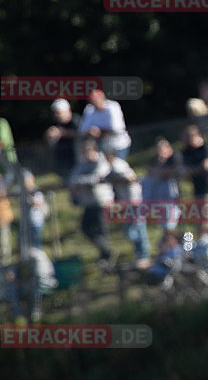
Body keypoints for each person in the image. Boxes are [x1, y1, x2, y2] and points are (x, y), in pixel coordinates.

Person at [69, 139, 115, 270]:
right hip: (89, 203)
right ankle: (105, 252)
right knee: (85, 228)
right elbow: (72, 178)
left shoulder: (102, 162)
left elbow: (95, 178)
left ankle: (106, 259)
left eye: (87, 151)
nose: (85, 154)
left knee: (102, 230)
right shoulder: (83, 163)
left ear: (94, 150)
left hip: (102, 202)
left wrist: (80, 182)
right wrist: (81, 182)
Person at [103, 146, 150, 263]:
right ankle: (140, 254)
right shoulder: (113, 165)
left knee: (137, 229)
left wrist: (112, 180)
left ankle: (144, 254)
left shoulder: (118, 165)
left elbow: (130, 178)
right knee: (131, 230)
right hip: (128, 201)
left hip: (135, 200)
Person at [181, 125, 208, 228]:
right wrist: (198, 169)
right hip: (198, 191)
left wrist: (192, 170)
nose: (186, 141)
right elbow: (183, 171)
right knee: (199, 225)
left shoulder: (207, 147)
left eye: (188, 137)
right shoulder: (187, 151)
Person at [142, 137, 183, 232]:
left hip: (173, 197)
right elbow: (150, 171)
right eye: (157, 149)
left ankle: (173, 237)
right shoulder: (155, 160)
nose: (159, 151)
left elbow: (172, 171)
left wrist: (160, 172)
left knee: (171, 223)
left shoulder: (174, 157)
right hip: (159, 197)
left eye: (161, 148)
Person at [78, 89, 132, 159]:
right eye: (92, 100)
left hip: (118, 144)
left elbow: (116, 128)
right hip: (102, 146)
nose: (94, 102)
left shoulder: (112, 107)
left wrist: (98, 131)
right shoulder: (89, 110)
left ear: (102, 98)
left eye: (95, 100)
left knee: (117, 167)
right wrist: (90, 131)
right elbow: (82, 130)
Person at [45, 99, 80, 182]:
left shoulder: (76, 120)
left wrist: (62, 133)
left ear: (68, 111)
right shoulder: (54, 123)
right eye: (55, 113)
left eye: (59, 112)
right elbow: (48, 140)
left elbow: (81, 134)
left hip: (77, 158)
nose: (57, 115)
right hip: (63, 161)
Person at [22, 170, 48, 249]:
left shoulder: (36, 191)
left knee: (36, 243)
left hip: (36, 221)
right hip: (27, 222)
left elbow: (39, 202)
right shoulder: (24, 191)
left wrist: (30, 200)